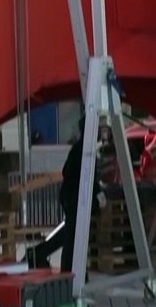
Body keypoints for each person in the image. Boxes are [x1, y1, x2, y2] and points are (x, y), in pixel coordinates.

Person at [26, 116, 103, 271]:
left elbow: (73, 173)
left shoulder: (81, 148)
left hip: (72, 197)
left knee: (70, 233)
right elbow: (86, 176)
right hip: (74, 198)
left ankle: (39, 254)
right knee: (72, 238)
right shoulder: (84, 150)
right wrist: (98, 193)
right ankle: (69, 271)